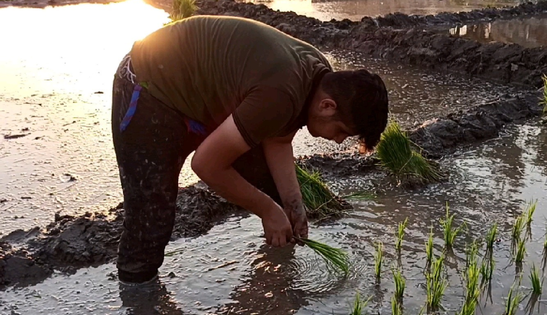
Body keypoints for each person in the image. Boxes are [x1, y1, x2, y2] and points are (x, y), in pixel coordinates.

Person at [111, 15, 389, 284]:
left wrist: (293, 205)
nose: (339, 141)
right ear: (327, 106)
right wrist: (267, 212)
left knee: (275, 195)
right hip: (148, 88)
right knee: (151, 220)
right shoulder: (280, 94)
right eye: (342, 132)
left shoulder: (319, 76)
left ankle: (274, 285)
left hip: (199, 98)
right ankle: (139, 309)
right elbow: (205, 165)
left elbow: (278, 139)